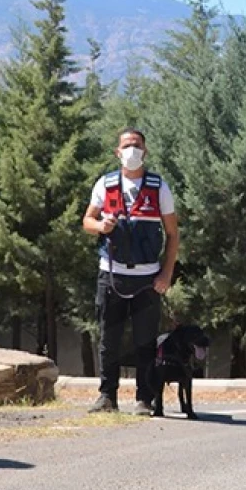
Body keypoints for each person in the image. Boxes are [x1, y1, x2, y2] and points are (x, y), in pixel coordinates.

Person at [81, 127, 179, 415]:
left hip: (147, 277)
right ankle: (106, 396)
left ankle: (144, 399)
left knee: (145, 342)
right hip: (111, 274)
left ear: (145, 151)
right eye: (126, 145)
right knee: (108, 338)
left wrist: (166, 273)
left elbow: (173, 234)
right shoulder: (106, 184)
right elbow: (87, 220)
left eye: (136, 145)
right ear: (117, 152)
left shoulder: (158, 187)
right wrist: (100, 226)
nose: (131, 151)